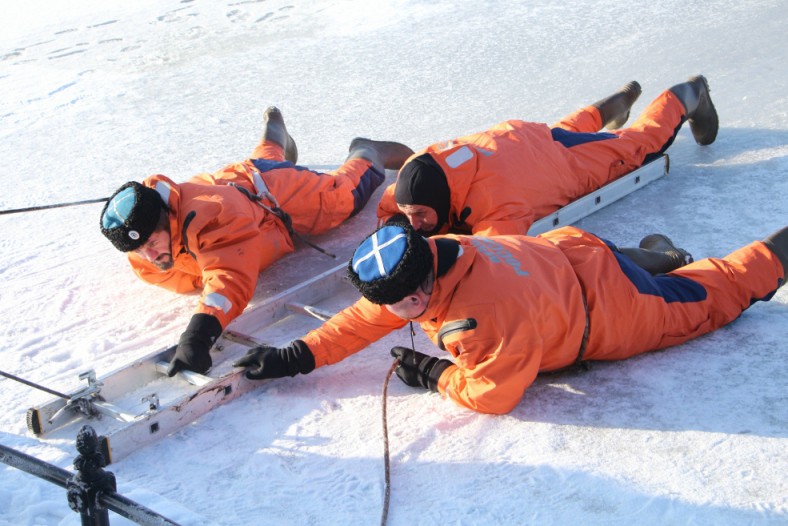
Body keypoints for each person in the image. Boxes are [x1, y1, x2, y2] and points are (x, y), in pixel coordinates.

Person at [233, 223, 786, 415]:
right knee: (643, 267)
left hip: (615, 309)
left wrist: (434, 375)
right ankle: (660, 256)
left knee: (714, 297)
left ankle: (774, 255)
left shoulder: (480, 319)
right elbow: (365, 316)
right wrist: (299, 355)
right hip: (568, 254)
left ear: (421, 283)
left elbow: (493, 394)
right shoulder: (431, 251)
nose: (391, 314)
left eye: (401, 302)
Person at [100, 107, 413, 376]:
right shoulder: (145, 244)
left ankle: (367, 151)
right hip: (242, 180)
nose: (148, 254)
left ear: (166, 217)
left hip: (277, 194)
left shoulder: (213, 217)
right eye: (138, 250)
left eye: (151, 242)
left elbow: (229, 279)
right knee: (263, 163)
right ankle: (275, 136)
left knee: (344, 196)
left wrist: (198, 336)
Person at [377, 75, 719, 236]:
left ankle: (688, 94)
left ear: (438, 199)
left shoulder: (498, 206)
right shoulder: (417, 172)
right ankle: (608, 107)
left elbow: (487, 257)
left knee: (639, 145)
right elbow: (393, 203)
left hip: (559, 167)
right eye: (410, 215)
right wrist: (397, 224)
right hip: (519, 143)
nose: (413, 222)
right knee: (563, 134)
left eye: (420, 214)